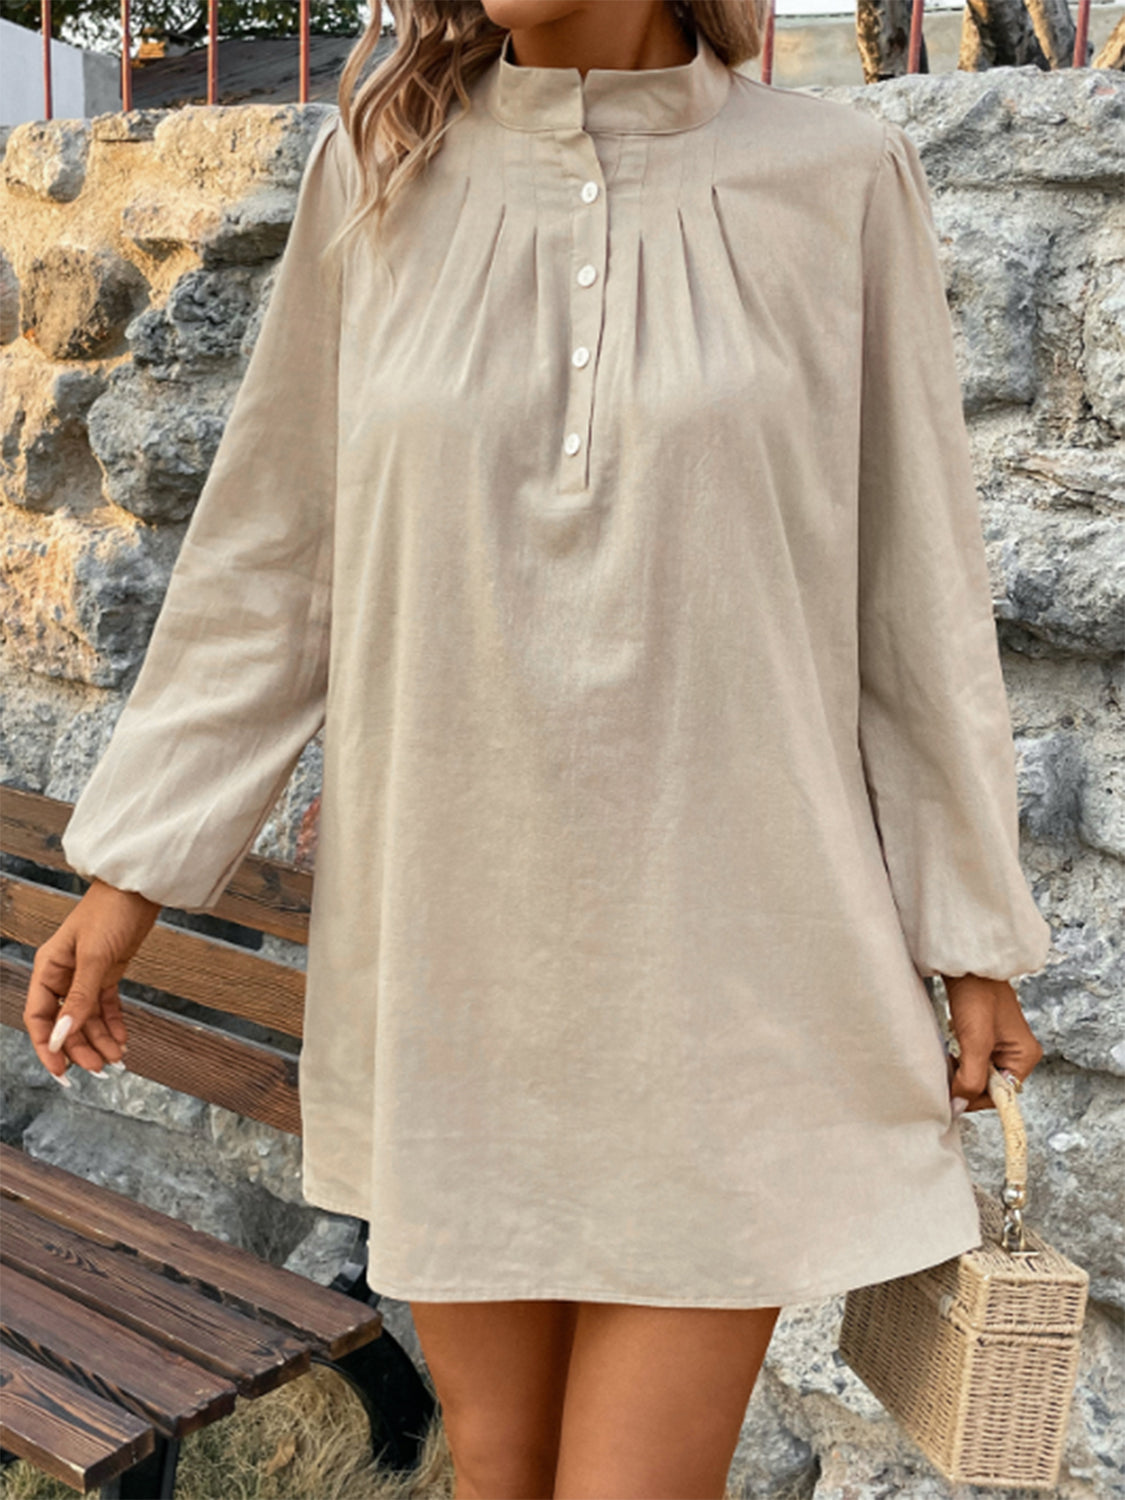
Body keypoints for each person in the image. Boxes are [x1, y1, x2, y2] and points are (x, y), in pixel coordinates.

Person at [23, 2, 1052, 1496]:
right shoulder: (380, 168)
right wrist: (129, 879)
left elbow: (916, 591)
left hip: (734, 978)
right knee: (498, 1471)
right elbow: (273, 559)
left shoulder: (838, 178)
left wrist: (972, 939)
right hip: (455, 968)